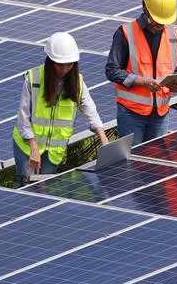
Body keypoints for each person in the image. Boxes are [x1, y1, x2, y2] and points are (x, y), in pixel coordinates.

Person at [13, 31, 107, 186]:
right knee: (27, 187)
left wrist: (102, 137)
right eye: (60, 65)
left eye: (69, 65)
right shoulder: (34, 79)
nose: (64, 69)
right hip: (27, 146)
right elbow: (23, 117)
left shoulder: (77, 83)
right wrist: (33, 147)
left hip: (53, 153)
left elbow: (90, 110)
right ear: (50, 61)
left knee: (44, 191)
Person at [106, 0, 177, 145]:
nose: (160, 25)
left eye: (163, 22)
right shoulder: (126, 33)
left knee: (155, 166)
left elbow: (174, 68)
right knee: (133, 164)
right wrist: (142, 81)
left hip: (161, 114)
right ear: (145, 9)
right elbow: (112, 70)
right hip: (131, 114)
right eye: (156, 21)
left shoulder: (173, 35)